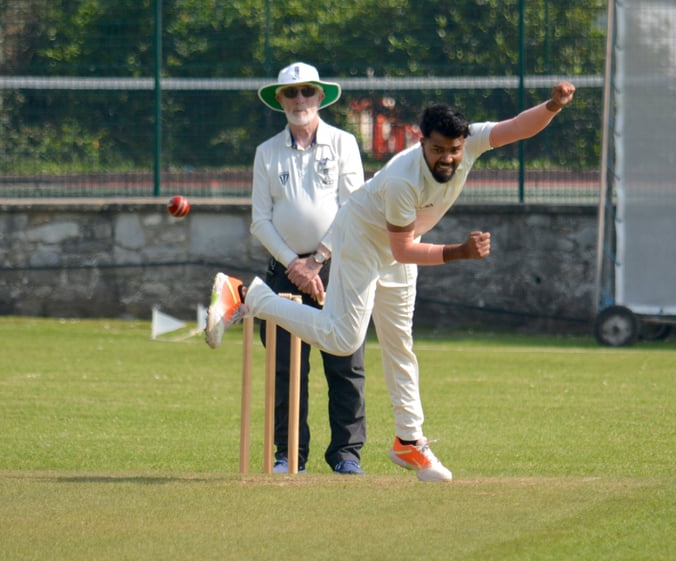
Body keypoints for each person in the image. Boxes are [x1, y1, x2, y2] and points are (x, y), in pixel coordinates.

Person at [206, 80, 576, 482]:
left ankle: (409, 441)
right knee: (343, 339)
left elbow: (519, 126)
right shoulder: (404, 178)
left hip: (399, 246)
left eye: (454, 150)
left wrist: (552, 106)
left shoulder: (469, 143)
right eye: (438, 150)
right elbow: (402, 250)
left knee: (400, 342)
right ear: (422, 142)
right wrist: (459, 252)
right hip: (364, 238)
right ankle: (248, 295)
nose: (448, 159)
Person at [227, 61, 367, 475]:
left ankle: (346, 454)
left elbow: (354, 209)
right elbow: (260, 220)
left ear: (320, 96)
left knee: (346, 365)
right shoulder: (266, 153)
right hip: (284, 272)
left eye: (307, 92)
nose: (300, 100)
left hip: (339, 268)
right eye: (291, 93)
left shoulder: (343, 144)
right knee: (287, 369)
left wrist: (319, 259)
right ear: (280, 100)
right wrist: (296, 265)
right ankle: (289, 455)